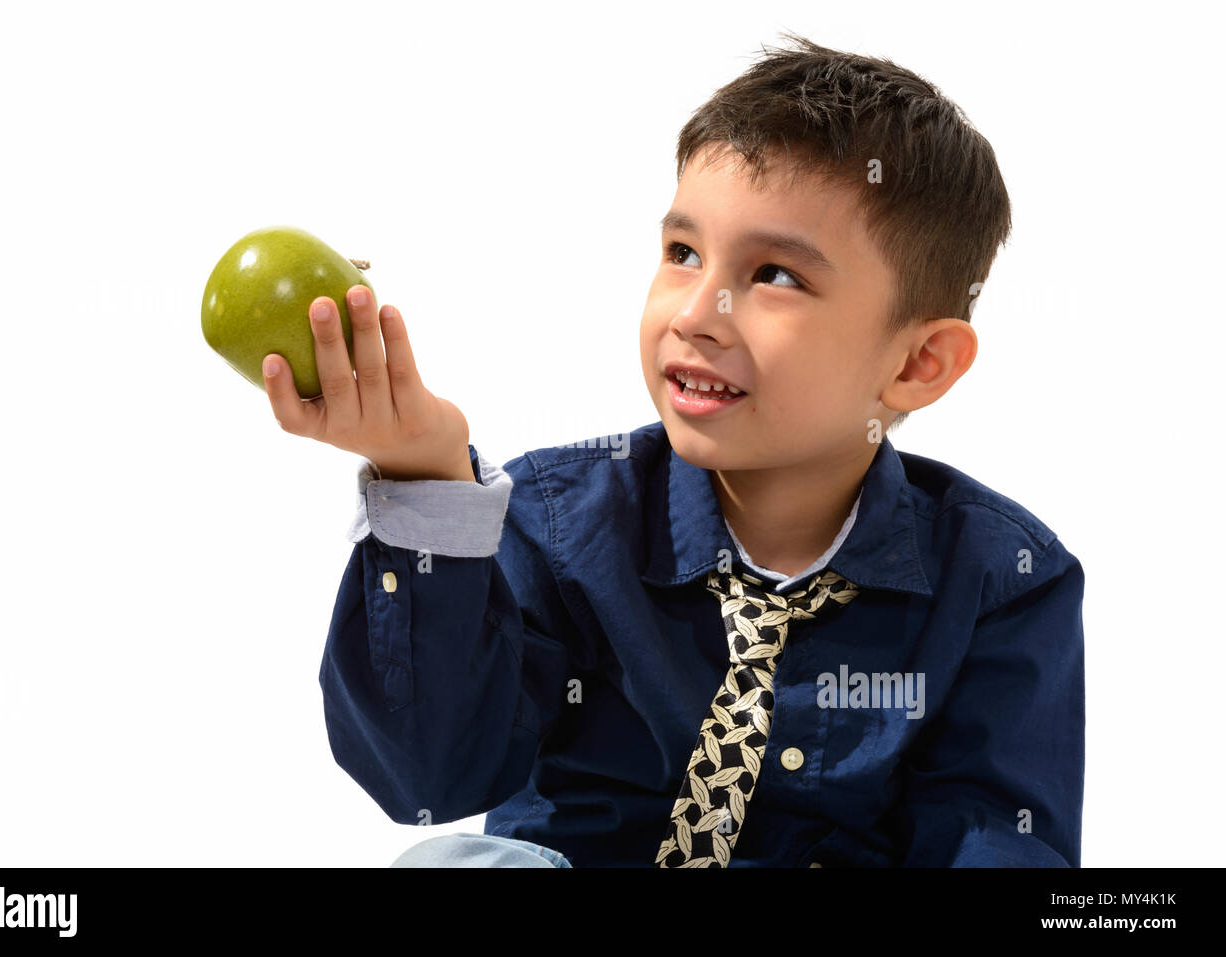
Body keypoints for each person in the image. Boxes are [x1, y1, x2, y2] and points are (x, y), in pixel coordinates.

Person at [262, 32, 1084, 868]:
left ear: (916, 363)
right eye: (682, 253)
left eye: (777, 276)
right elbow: (428, 777)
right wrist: (427, 484)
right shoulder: (556, 519)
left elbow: (998, 842)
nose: (697, 310)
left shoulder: (1000, 577)